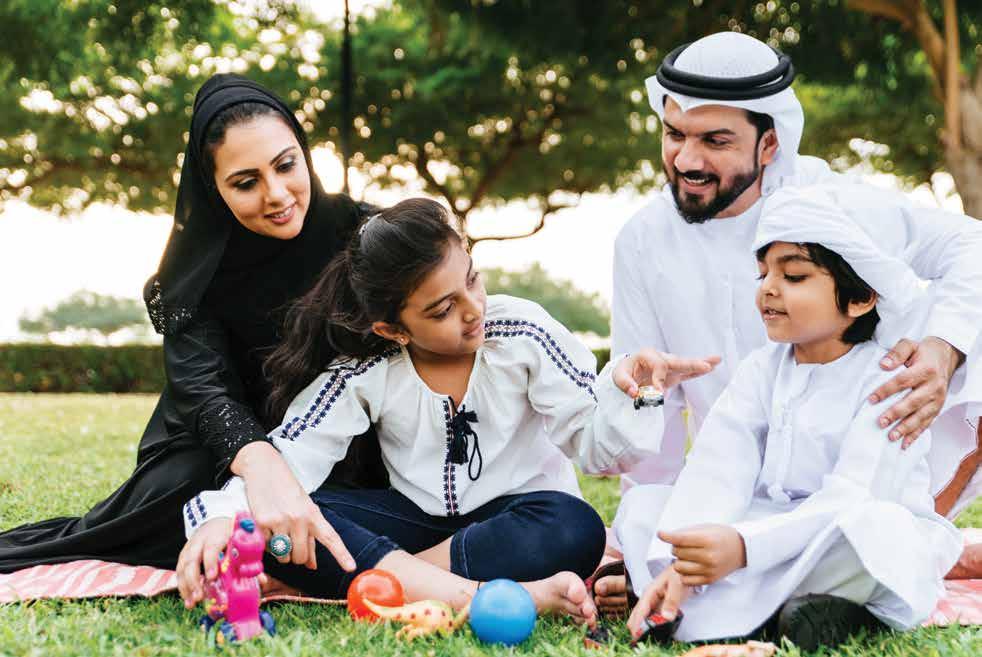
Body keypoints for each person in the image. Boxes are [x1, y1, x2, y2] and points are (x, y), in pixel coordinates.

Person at [176, 198, 719, 625]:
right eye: (442, 309)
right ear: (393, 329)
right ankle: (490, 596)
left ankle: (395, 582)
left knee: (575, 527)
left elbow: (595, 449)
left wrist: (634, 395)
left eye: (472, 280)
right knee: (287, 519)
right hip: (413, 521)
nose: (473, 309)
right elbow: (289, 460)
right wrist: (220, 517)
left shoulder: (524, 334)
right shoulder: (368, 370)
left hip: (518, 521)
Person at [595, 31, 982, 611]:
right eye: (674, 135)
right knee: (645, 511)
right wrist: (657, 547)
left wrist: (943, 349)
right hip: (737, 488)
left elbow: (971, 245)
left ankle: (778, 577)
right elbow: (657, 426)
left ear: (770, 143)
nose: (688, 160)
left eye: (715, 140)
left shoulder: (835, 206)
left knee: (875, 530)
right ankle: (767, 586)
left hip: (856, 488)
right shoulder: (641, 240)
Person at [0, 74, 385, 573]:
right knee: (183, 498)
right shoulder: (197, 271)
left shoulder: (365, 235)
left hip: (348, 434)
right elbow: (203, 389)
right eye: (245, 183)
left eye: (286, 165)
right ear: (214, 189)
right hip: (227, 443)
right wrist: (261, 462)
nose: (276, 194)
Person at [615, 186, 969, 650]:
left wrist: (744, 548)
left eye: (794, 275)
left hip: (833, 536)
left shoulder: (890, 380)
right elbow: (717, 470)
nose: (768, 288)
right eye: (763, 273)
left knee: (877, 529)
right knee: (644, 508)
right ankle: (756, 607)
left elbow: (853, 496)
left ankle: (773, 609)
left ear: (861, 297)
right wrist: (685, 562)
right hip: (759, 525)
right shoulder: (760, 369)